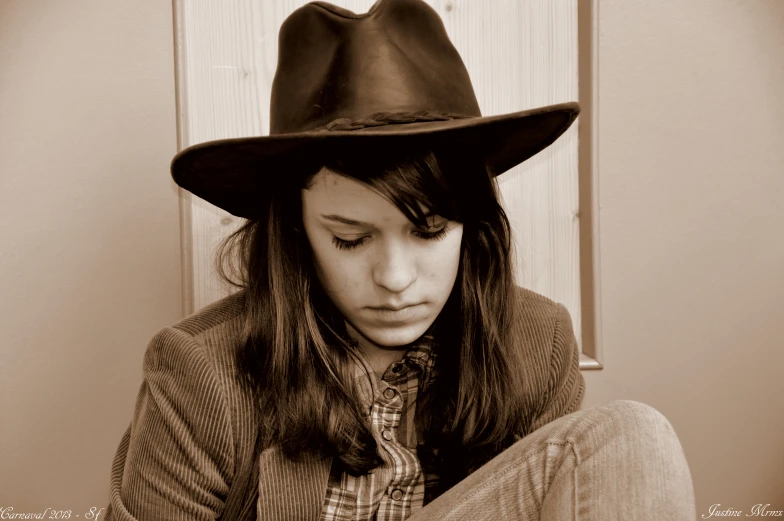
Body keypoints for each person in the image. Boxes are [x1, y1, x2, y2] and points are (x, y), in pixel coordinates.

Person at [105, 0, 697, 519]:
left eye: (429, 230)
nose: (394, 279)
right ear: (296, 236)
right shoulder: (201, 371)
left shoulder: (536, 343)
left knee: (630, 438)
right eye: (350, 239)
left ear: (473, 227)